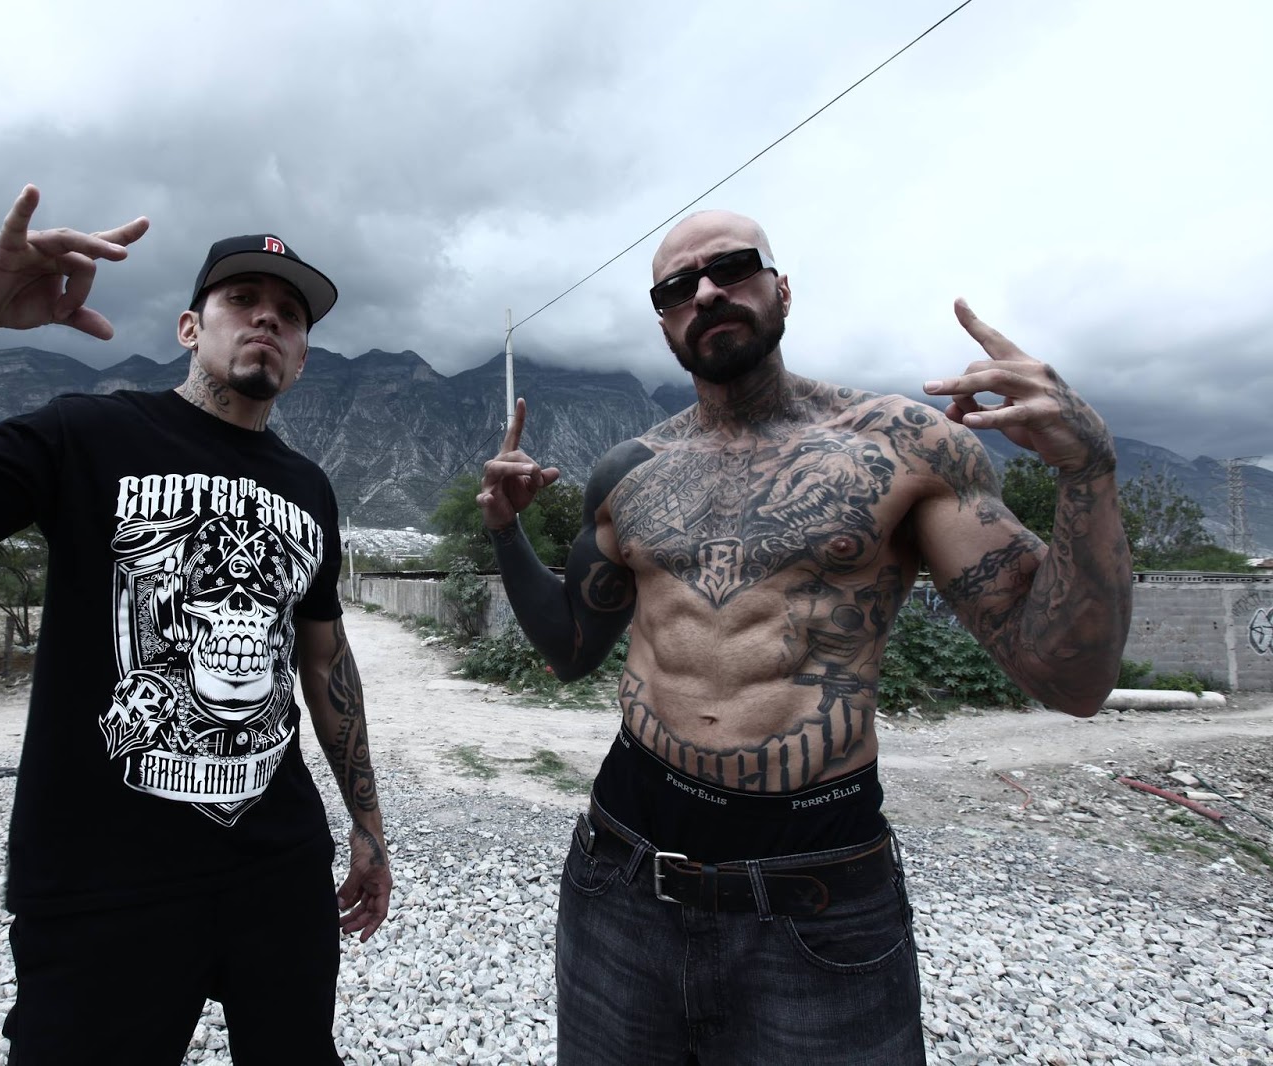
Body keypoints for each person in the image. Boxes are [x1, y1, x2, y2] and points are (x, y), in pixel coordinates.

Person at [478, 209, 1131, 1065]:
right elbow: (571, 650)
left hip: (818, 897)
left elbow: (1069, 678)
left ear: (781, 289)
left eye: (731, 268)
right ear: (664, 321)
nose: (705, 293)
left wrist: (1086, 468)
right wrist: (505, 532)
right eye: (677, 287)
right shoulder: (629, 472)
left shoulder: (903, 448)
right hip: (625, 878)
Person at [0, 185, 391, 1066]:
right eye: (242, 299)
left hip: (278, 863)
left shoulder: (309, 487)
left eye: (290, 314)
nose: (268, 317)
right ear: (190, 328)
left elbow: (325, 660)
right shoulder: (88, 433)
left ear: (302, 357)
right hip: (105, 882)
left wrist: (367, 826)